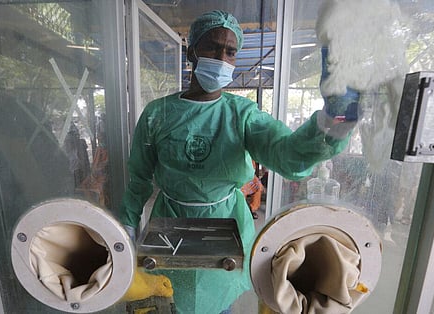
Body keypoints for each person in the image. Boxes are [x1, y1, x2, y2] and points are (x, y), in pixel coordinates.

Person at [120, 10, 359, 314]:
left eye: (230, 51)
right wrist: (126, 226)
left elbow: (285, 154)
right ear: (193, 51)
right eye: (212, 47)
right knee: (172, 298)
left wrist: (331, 123)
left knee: (220, 301)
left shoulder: (243, 114)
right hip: (171, 223)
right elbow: (139, 176)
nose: (222, 57)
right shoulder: (158, 114)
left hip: (227, 223)